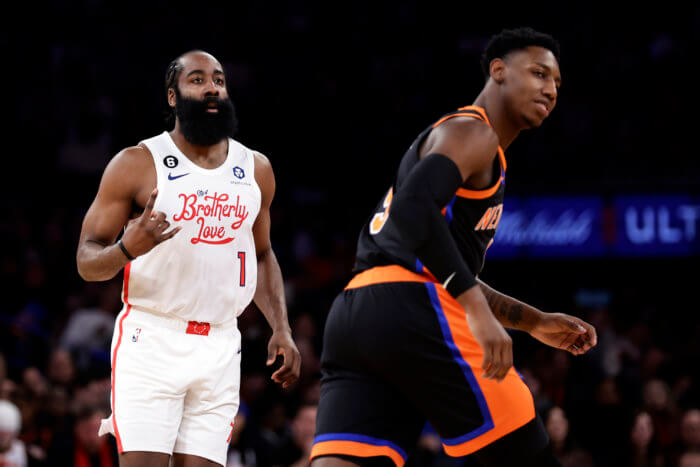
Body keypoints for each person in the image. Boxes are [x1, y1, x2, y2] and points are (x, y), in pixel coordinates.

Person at [310, 27, 597, 467]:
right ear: (498, 71)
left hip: (356, 313)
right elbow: (412, 212)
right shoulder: (473, 131)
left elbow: (436, 258)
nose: (550, 89)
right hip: (411, 305)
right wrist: (476, 311)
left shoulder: (474, 145)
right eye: (539, 73)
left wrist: (532, 320)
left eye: (557, 82)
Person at [76, 50, 301, 467]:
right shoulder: (137, 163)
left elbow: (264, 254)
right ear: (173, 97)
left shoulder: (256, 169)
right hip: (153, 338)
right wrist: (128, 249)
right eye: (197, 79)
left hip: (220, 343)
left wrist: (281, 328)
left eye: (218, 79)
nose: (212, 86)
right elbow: (86, 262)